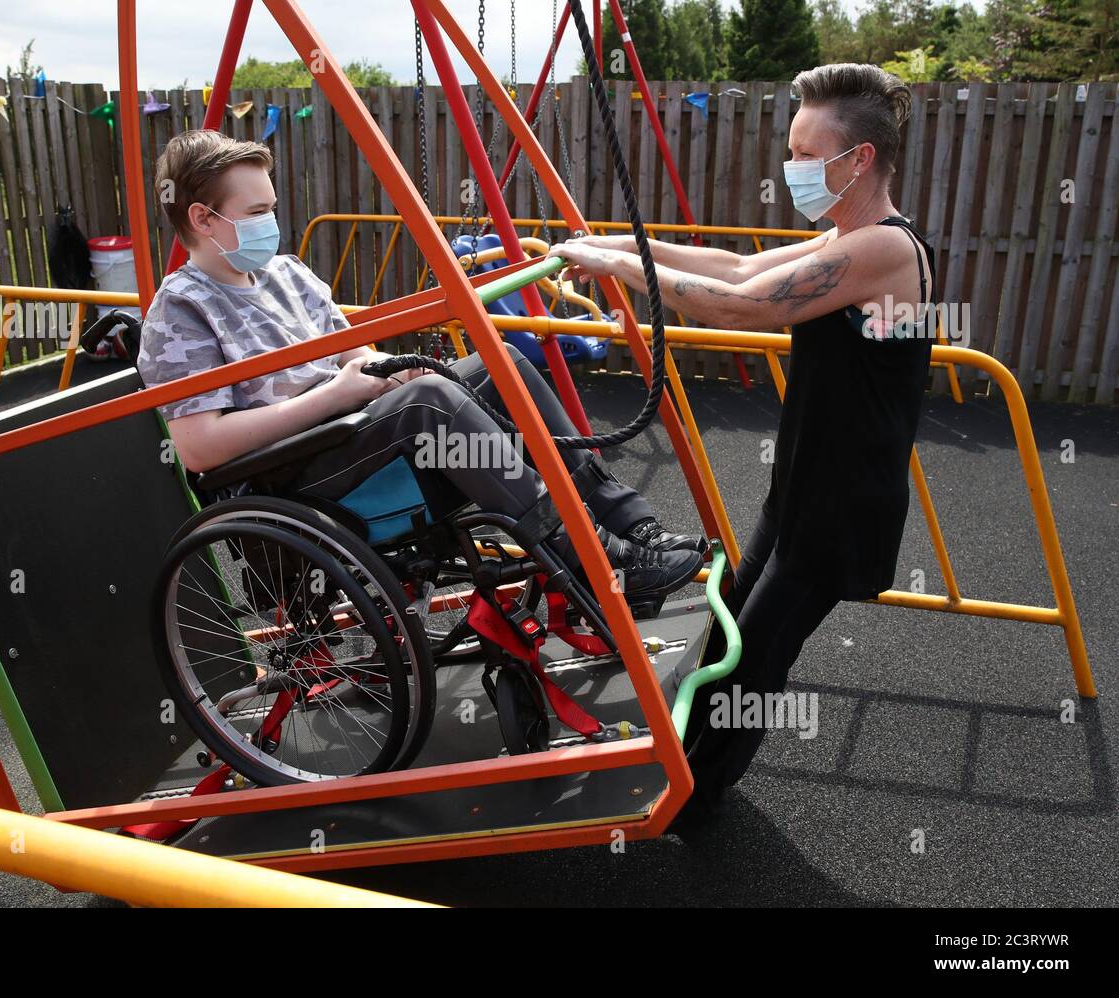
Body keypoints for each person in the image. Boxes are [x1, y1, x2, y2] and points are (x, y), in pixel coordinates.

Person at [549, 64, 936, 820]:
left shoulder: (886, 251)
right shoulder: (846, 236)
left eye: (802, 151)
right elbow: (736, 265)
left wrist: (618, 266)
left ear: (857, 160)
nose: (790, 167)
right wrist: (618, 244)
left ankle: (696, 803)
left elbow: (739, 306)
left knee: (754, 658)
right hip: (799, 490)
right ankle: (682, 772)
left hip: (841, 506)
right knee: (726, 633)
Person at [136, 129, 706, 611]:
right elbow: (200, 448)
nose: (271, 223)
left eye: (272, 210)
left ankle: (629, 525)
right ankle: (588, 558)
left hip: (344, 430)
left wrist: (385, 371)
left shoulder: (285, 274)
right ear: (202, 219)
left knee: (498, 364)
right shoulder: (181, 310)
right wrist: (337, 395)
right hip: (286, 471)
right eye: (257, 213)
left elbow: (352, 354)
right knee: (431, 400)